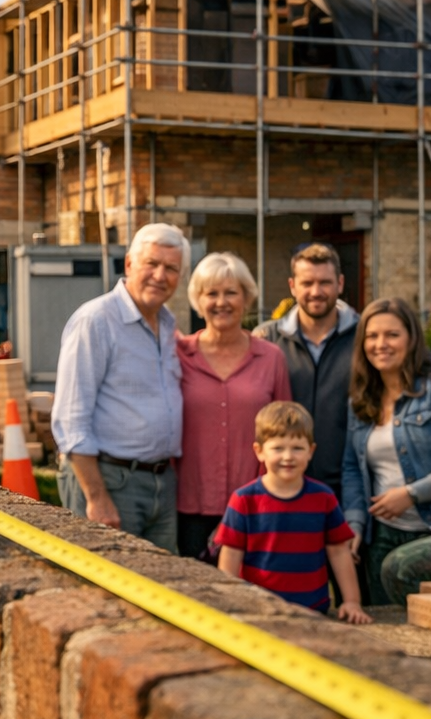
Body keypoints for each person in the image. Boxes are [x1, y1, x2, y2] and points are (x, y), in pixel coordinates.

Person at [254, 243, 431, 500]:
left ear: (340, 283)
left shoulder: (366, 337)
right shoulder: (268, 340)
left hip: (353, 487)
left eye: (325, 282)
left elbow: (422, 365)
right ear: (292, 286)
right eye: (307, 283)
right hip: (284, 487)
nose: (316, 291)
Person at [341, 298, 431, 606]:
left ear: (411, 338)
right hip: (382, 532)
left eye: (392, 335)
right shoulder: (361, 400)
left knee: (405, 578)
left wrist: (410, 494)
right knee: (388, 630)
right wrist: (354, 524)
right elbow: (352, 469)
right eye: (372, 336)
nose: (381, 344)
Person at [52, 223, 187, 553]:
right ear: (128, 264)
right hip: (111, 481)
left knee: (162, 589)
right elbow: (70, 420)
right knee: (109, 594)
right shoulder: (96, 321)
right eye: (151, 264)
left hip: (161, 484)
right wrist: (97, 497)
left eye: (171, 268)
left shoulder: (168, 325)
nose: (160, 275)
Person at [174, 253, 291, 559]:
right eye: (211, 293)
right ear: (198, 301)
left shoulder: (271, 358)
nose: (221, 302)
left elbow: (285, 431)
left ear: (246, 298)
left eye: (231, 292)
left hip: (255, 503)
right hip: (189, 504)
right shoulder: (178, 355)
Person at [216, 402, 368, 623]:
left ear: (310, 451)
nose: (288, 456)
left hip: (313, 611)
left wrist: (352, 601)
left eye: (297, 448)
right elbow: (230, 556)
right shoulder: (243, 500)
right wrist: (229, 603)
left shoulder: (323, 498)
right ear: (259, 451)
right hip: (259, 610)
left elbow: (339, 552)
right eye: (278, 448)